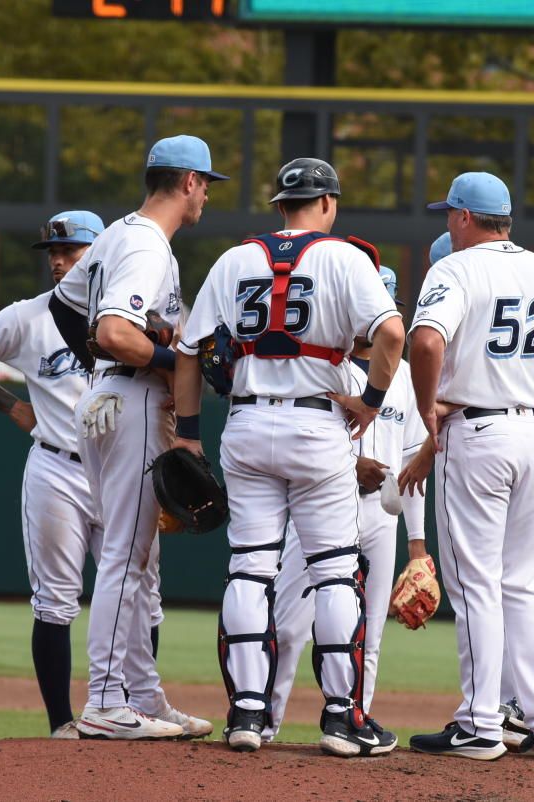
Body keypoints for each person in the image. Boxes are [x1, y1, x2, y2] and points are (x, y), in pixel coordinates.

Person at [172, 158, 406, 757]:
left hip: (247, 422)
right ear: (326, 204)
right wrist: (373, 401)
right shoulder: (346, 258)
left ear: (280, 205)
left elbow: (190, 353)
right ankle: (340, 719)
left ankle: (247, 714)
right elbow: (393, 334)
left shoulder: (235, 259)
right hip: (315, 421)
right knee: (333, 571)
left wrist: (189, 434)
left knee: (250, 567)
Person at [405, 172, 534, 761]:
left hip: (479, 433)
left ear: (464, 217)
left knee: (476, 584)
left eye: (449, 214)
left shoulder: (456, 268)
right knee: (523, 583)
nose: (447, 223)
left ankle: (480, 722)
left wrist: (426, 411)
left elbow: (428, 343)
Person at [52, 135, 226, 740]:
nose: (206, 193)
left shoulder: (115, 235)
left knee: (139, 559)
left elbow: (65, 309)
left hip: (108, 397)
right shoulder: (148, 246)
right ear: (186, 183)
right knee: (127, 555)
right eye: (206, 182)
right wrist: (169, 358)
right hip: (130, 401)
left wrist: (114, 359)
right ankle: (104, 699)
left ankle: (142, 694)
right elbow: (114, 331)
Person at [0, 210, 106, 739]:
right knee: (56, 599)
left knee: (137, 596)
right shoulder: (26, 316)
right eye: (53, 253)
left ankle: (128, 709)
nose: (59, 261)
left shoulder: (133, 315)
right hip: (58, 467)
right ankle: (62, 724)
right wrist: (14, 408)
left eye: (72, 251)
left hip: (122, 471)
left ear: (101, 255)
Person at [264, 266, 428, 743]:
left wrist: (418, 551)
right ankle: (262, 721)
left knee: (368, 633)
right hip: (318, 505)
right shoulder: (319, 365)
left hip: (381, 514)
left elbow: (412, 469)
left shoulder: (407, 379)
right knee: (289, 625)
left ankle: (351, 724)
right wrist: (346, 462)